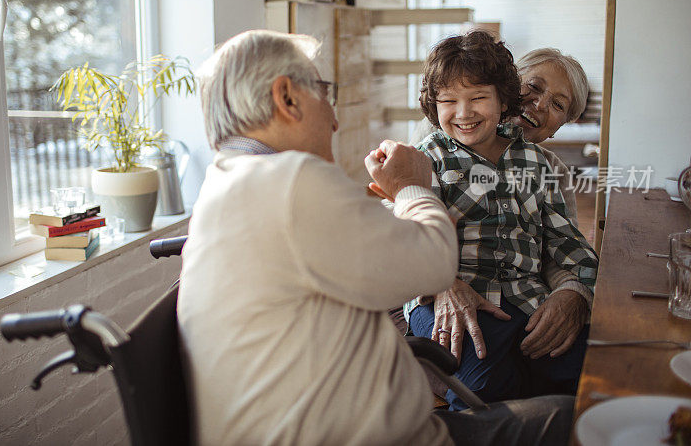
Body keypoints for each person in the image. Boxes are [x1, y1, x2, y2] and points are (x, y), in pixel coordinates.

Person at [178, 29, 574, 445]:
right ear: (287, 98)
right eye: (323, 92)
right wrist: (410, 186)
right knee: (567, 418)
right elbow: (434, 265)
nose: (333, 119)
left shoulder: (228, 182)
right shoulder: (292, 181)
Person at [402, 31, 598, 411]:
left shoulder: (541, 166)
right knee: (485, 385)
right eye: (535, 87)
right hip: (453, 290)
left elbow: (567, 250)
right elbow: (402, 234)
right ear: (513, 83)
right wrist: (441, 282)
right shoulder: (430, 149)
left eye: (558, 104)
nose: (540, 105)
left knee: (585, 369)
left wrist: (575, 292)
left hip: (522, 298)